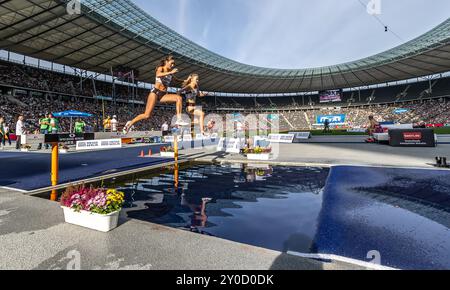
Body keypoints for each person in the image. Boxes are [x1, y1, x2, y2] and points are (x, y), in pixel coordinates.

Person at [123, 55, 188, 133]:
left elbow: (177, 81)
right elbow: (158, 75)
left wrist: (186, 81)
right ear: (166, 62)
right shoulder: (161, 68)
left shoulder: (171, 74)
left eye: (174, 64)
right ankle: (129, 123)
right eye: (172, 63)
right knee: (146, 115)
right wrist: (171, 72)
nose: (173, 65)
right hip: (155, 93)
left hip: (163, 95)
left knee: (179, 98)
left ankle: (179, 119)